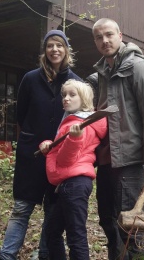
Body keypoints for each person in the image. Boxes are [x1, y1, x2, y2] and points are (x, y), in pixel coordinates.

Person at [0, 30, 81, 260]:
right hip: (31, 154)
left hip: (60, 156)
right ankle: (6, 256)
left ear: (66, 50)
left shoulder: (75, 82)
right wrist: (32, 137)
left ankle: (45, 255)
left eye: (59, 45)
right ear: (44, 51)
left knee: (52, 212)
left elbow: (80, 116)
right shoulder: (31, 78)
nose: (55, 50)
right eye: (50, 46)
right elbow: (20, 114)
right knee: (22, 209)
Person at [90, 18, 144, 260]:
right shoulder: (102, 73)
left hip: (130, 162)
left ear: (120, 35)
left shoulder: (140, 68)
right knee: (108, 222)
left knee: (133, 228)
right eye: (99, 37)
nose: (105, 40)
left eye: (109, 34)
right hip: (106, 161)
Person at [39, 79, 107, 260]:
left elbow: (65, 159)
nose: (66, 99)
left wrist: (74, 139)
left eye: (72, 95)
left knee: (75, 235)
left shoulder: (82, 125)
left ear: (83, 98)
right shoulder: (72, 121)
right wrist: (47, 145)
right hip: (67, 183)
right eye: (64, 95)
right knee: (52, 231)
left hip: (75, 183)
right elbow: (58, 149)